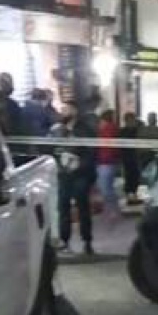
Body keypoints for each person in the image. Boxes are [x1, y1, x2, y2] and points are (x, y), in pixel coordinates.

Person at [50, 105, 97, 257]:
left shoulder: (85, 130)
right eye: (62, 109)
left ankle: (87, 241)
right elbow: (51, 149)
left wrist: (79, 165)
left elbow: (91, 153)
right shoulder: (57, 129)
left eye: (66, 109)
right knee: (63, 207)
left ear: (74, 111)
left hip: (81, 175)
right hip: (64, 175)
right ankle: (64, 241)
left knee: (82, 207)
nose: (63, 112)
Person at [96, 107, 121, 216]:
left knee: (105, 187)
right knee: (107, 186)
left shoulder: (107, 129)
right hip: (107, 161)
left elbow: (107, 147)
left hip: (106, 161)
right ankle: (113, 208)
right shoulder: (112, 128)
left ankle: (112, 209)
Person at [119, 108, 143, 202]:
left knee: (135, 176)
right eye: (130, 120)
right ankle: (130, 196)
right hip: (127, 158)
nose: (132, 122)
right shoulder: (123, 131)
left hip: (135, 157)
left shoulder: (137, 130)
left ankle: (134, 195)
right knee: (129, 176)